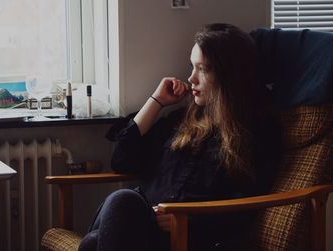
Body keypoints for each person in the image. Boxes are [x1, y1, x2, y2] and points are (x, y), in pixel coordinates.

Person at [78, 23, 279, 251]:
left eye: (203, 69)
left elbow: (247, 206)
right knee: (118, 207)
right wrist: (156, 101)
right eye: (191, 67)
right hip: (141, 222)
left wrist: (185, 220)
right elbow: (122, 160)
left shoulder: (257, 131)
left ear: (229, 75)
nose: (191, 78)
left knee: (100, 231)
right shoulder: (182, 120)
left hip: (190, 239)